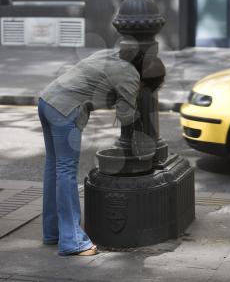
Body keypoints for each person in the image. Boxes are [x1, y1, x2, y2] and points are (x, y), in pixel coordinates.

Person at [38, 47, 165, 256]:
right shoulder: (130, 75)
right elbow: (125, 116)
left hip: (47, 101)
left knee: (54, 169)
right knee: (66, 172)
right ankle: (72, 242)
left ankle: (53, 232)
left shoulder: (112, 54)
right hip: (65, 110)